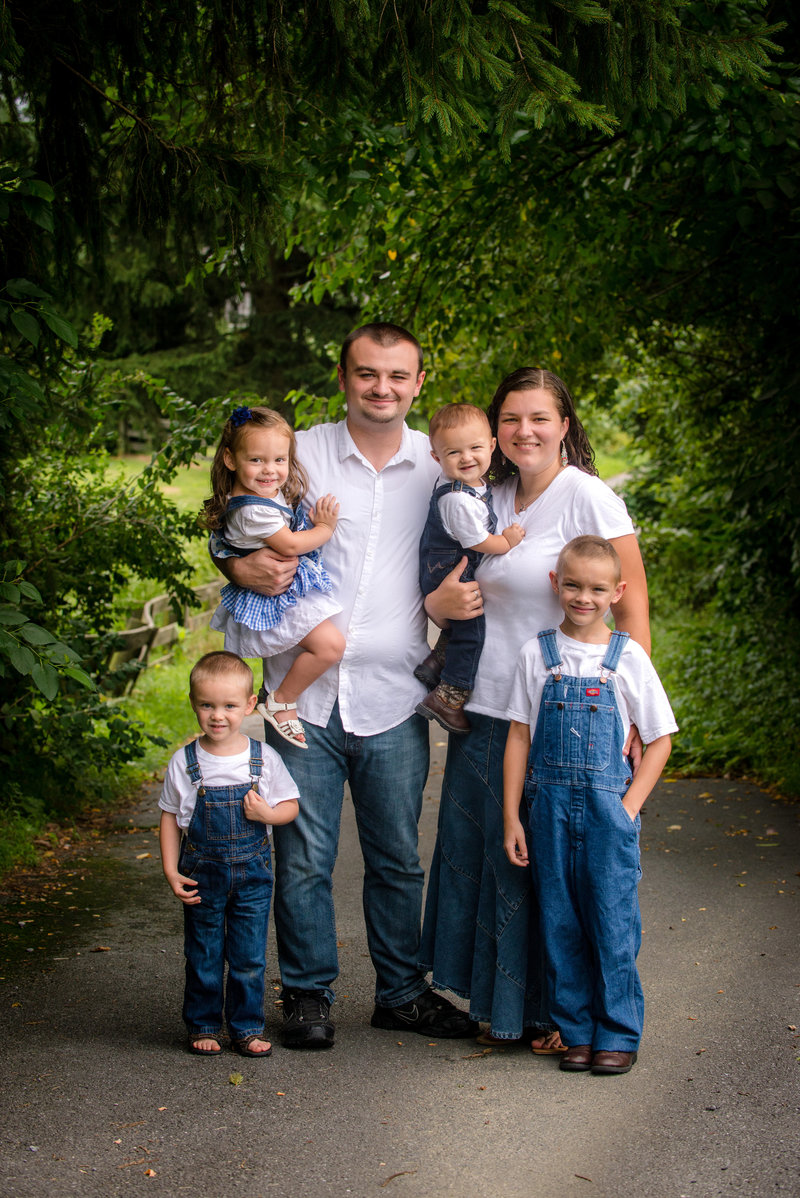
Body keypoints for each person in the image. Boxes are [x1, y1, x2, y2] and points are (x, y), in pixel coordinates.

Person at [212, 323, 479, 1049]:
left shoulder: (442, 463)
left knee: (397, 855)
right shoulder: (303, 452)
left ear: (418, 382)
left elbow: (503, 528)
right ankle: (307, 997)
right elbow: (233, 511)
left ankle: (400, 993)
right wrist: (238, 568)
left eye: (397, 376)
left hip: (395, 694)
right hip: (301, 696)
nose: (381, 388)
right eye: (367, 373)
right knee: (303, 855)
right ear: (343, 376)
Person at [419, 367, 651, 1049]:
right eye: (511, 420)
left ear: (565, 426)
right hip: (486, 705)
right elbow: (449, 581)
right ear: (494, 432)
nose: (524, 431)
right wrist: (437, 605)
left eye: (539, 418)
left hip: (565, 713)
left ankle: (558, 1016)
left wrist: (630, 710)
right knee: (488, 855)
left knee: (553, 863)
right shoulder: (482, 496)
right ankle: (500, 1008)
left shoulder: (588, 499)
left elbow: (630, 602)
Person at [503, 536, 676, 1074]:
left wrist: (628, 808)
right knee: (559, 922)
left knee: (612, 922)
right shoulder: (538, 653)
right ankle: (575, 1031)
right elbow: (518, 737)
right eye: (573, 585)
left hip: (608, 812)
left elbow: (661, 738)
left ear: (616, 592)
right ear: (557, 584)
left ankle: (618, 1034)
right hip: (547, 809)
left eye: (597, 588)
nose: (584, 597)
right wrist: (513, 815)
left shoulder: (628, 658)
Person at [159, 651, 300, 1057]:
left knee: (249, 955)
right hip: (202, 874)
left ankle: (246, 1027)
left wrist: (268, 812)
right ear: (193, 703)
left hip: (253, 876)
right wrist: (171, 869)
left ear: (250, 706)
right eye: (207, 705)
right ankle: (203, 1023)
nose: (217, 716)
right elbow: (170, 817)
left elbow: (290, 804)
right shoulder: (184, 763)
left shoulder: (263, 758)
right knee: (203, 952)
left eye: (229, 706)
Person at [206, 405, 345, 749]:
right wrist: (325, 528)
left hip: (283, 588)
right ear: (230, 459)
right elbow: (292, 544)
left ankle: (281, 699)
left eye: (279, 460)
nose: (270, 470)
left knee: (329, 645)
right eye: (257, 460)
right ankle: (282, 700)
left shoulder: (261, 494)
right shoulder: (253, 510)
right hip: (276, 594)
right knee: (330, 646)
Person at [415, 403, 525, 734]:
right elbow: (478, 541)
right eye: (453, 452)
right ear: (437, 458)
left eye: (475, 448)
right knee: (473, 632)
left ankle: (436, 664)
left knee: (463, 628)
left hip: (452, 563)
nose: (466, 458)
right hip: (448, 567)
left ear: (492, 445)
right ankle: (448, 697)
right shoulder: (457, 498)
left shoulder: (475, 485)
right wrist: (506, 541)